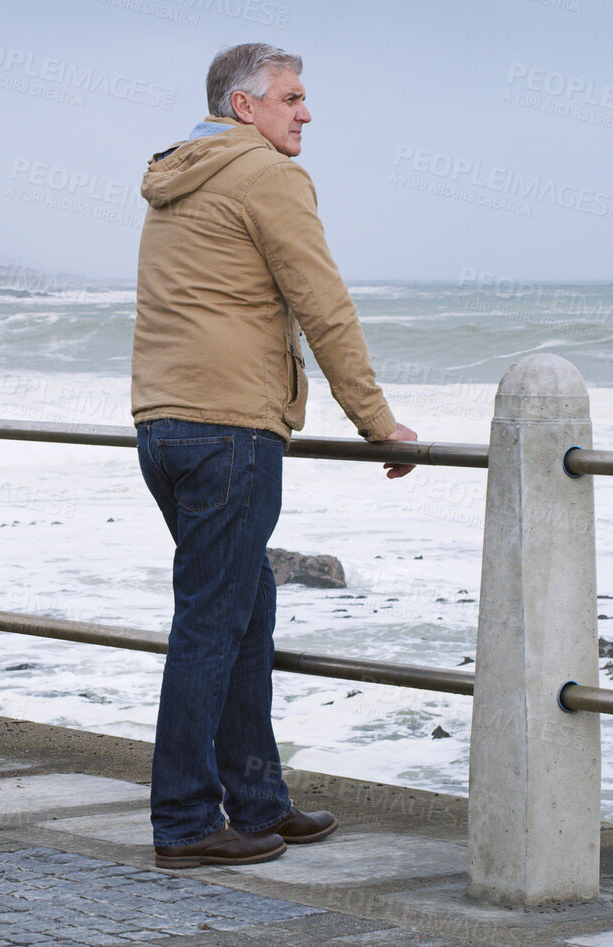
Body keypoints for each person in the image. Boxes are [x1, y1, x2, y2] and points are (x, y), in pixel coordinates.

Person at [133, 42, 419, 869]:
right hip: (229, 430)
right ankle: (186, 822)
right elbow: (322, 303)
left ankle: (257, 802)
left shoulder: (177, 175)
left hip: (163, 427)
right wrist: (376, 422)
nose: (304, 113)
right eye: (291, 97)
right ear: (242, 106)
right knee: (210, 626)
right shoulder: (264, 173)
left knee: (245, 610)